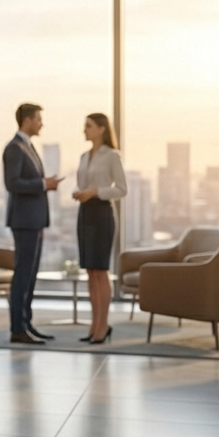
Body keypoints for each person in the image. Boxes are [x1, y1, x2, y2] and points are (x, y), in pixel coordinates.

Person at [3, 103, 63, 345]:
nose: (41, 123)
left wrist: (44, 183)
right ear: (27, 120)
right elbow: (13, 183)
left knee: (31, 275)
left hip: (34, 221)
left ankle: (26, 324)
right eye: (38, 119)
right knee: (23, 275)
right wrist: (43, 184)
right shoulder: (15, 148)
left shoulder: (28, 146)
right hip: (24, 222)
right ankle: (17, 328)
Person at [73, 113, 127, 344]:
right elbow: (83, 184)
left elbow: (121, 189)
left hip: (102, 214)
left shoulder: (112, 156)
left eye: (88, 126)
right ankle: (94, 324)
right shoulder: (84, 156)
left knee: (100, 270)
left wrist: (96, 191)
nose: (84, 129)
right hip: (85, 213)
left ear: (102, 129)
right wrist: (80, 192)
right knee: (90, 271)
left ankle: (103, 325)